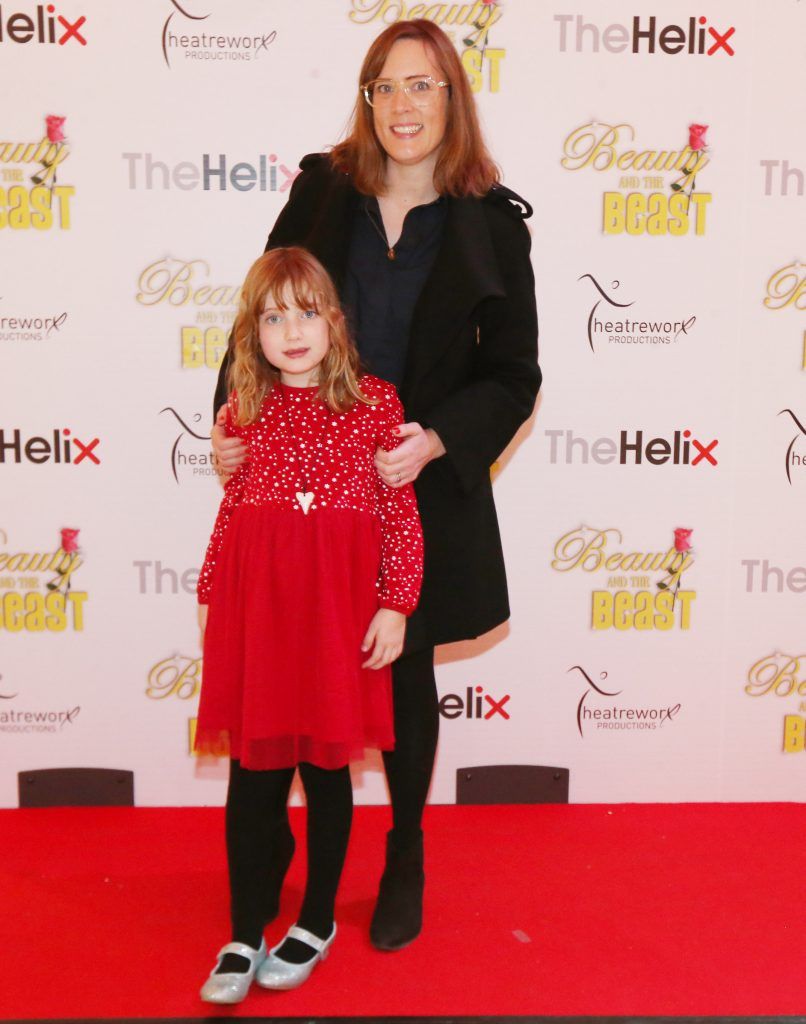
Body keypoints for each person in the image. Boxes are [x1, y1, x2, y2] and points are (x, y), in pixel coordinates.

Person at [212, 18, 541, 953]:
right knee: (282, 665)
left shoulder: (491, 225)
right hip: (297, 484)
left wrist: (437, 440)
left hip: (416, 483)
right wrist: (232, 426)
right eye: (387, 87)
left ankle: (404, 853)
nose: (405, 106)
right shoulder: (323, 193)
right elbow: (257, 318)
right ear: (366, 101)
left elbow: (514, 376)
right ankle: (267, 844)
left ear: (453, 101)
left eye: (425, 86)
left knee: (398, 679)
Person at [197, 246, 423, 1003]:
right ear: (250, 332)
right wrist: (212, 598)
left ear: (333, 319)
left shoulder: (377, 406)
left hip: (337, 623)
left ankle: (317, 917)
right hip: (259, 620)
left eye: (305, 312)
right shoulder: (242, 412)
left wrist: (396, 603)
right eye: (271, 316)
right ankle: (242, 927)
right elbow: (232, 515)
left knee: (329, 772)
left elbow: (399, 515)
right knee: (252, 779)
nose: (290, 331)